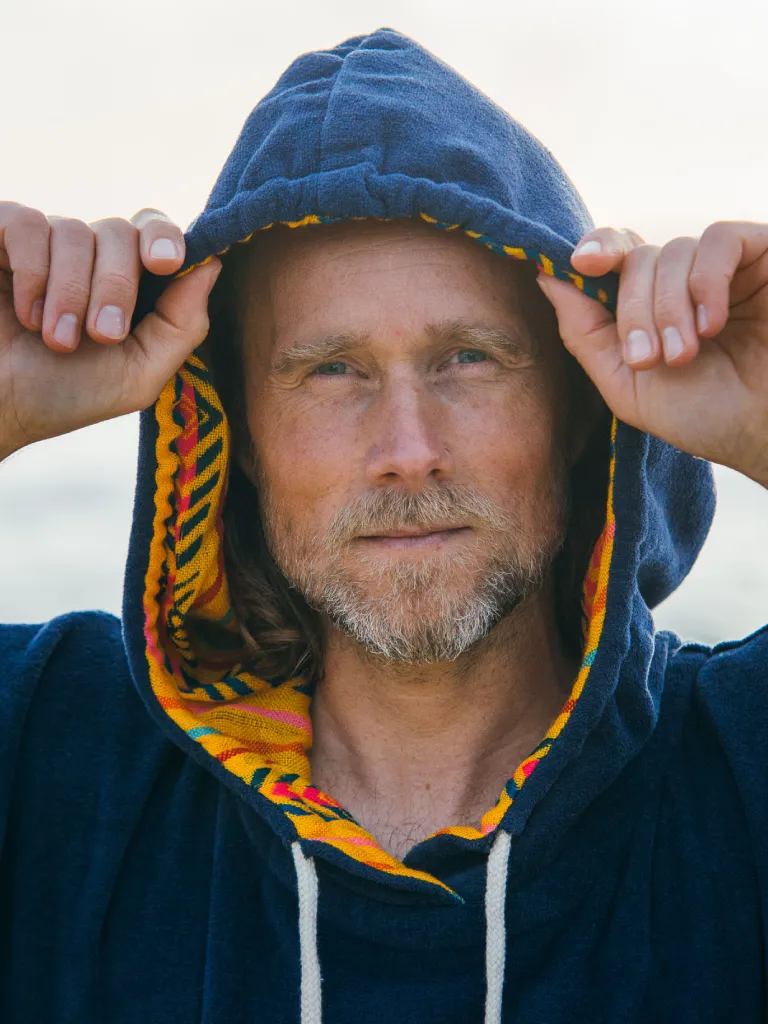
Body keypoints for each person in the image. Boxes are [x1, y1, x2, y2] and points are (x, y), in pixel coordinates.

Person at [1, 25, 767, 1024]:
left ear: (580, 411)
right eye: (332, 370)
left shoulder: (740, 765)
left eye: (469, 359)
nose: (409, 448)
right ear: (236, 436)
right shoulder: (54, 757)